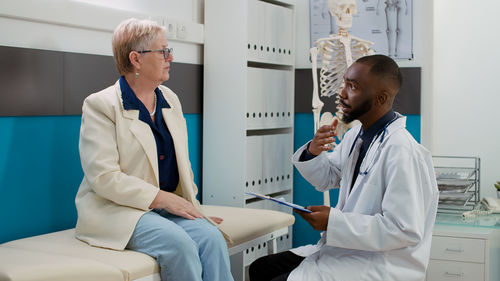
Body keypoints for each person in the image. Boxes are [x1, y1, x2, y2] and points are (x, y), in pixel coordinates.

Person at [249, 55, 438, 281]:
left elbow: (403, 229)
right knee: (260, 268)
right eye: (344, 83)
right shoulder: (356, 137)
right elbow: (327, 178)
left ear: (381, 98)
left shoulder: (403, 152)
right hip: (347, 250)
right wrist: (314, 151)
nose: (342, 93)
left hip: (380, 264)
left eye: (353, 87)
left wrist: (334, 221)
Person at [74, 18, 234, 281]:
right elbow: (103, 178)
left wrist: (194, 209)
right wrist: (163, 198)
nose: (170, 57)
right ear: (136, 59)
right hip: (118, 211)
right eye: (163, 51)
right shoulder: (101, 105)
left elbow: (182, 166)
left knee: (211, 238)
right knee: (179, 245)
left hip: (163, 209)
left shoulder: (170, 99)